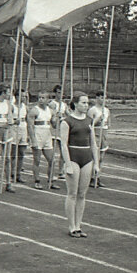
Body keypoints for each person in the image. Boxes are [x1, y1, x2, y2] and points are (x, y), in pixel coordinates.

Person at [60, 92, 98, 238]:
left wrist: (96, 164)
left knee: (82, 194)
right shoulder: (67, 121)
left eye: (87, 103)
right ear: (75, 104)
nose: (86, 105)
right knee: (72, 194)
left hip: (87, 157)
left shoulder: (89, 120)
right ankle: (71, 226)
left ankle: (79, 225)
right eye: (83, 103)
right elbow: (63, 144)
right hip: (73, 157)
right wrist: (68, 163)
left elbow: (93, 143)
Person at [26, 91, 59, 190]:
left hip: (47, 136)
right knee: (37, 160)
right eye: (39, 97)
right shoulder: (34, 111)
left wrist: (57, 118)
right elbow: (30, 127)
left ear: (48, 100)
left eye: (43, 98)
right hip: (38, 135)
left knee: (52, 160)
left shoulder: (51, 111)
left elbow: (54, 126)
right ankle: (37, 181)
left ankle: (51, 181)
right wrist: (33, 140)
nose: (40, 100)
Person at [87, 91, 111, 188]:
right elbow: (89, 123)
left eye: (104, 97)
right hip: (95, 133)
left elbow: (108, 123)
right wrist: (97, 121)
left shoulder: (106, 110)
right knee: (94, 157)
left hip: (103, 134)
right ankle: (91, 177)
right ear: (97, 98)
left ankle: (98, 176)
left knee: (101, 158)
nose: (103, 99)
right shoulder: (92, 110)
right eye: (101, 97)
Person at [49, 84, 69, 180]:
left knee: (63, 151)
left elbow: (69, 115)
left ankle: (61, 171)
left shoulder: (64, 105)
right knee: (52, 153)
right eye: (58, 92)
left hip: (62, 130)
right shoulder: (52, 104)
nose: (60, 94)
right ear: (55, 93)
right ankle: (51, 172)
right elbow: (51, 118)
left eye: (62, 93)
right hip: (53, 130)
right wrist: (57, 116)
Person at [10, 89, 29, 183]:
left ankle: (18, 174)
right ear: (17, 96)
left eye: (25, 96)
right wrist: (14, 121)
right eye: (22, 96)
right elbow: (8, 118)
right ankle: (12, 172)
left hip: (23, 128)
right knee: (13, 153)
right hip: (14, 129)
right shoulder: (12, 106)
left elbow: (27, 119)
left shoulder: (25, 106)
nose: (24, 98)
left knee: (21, 153)